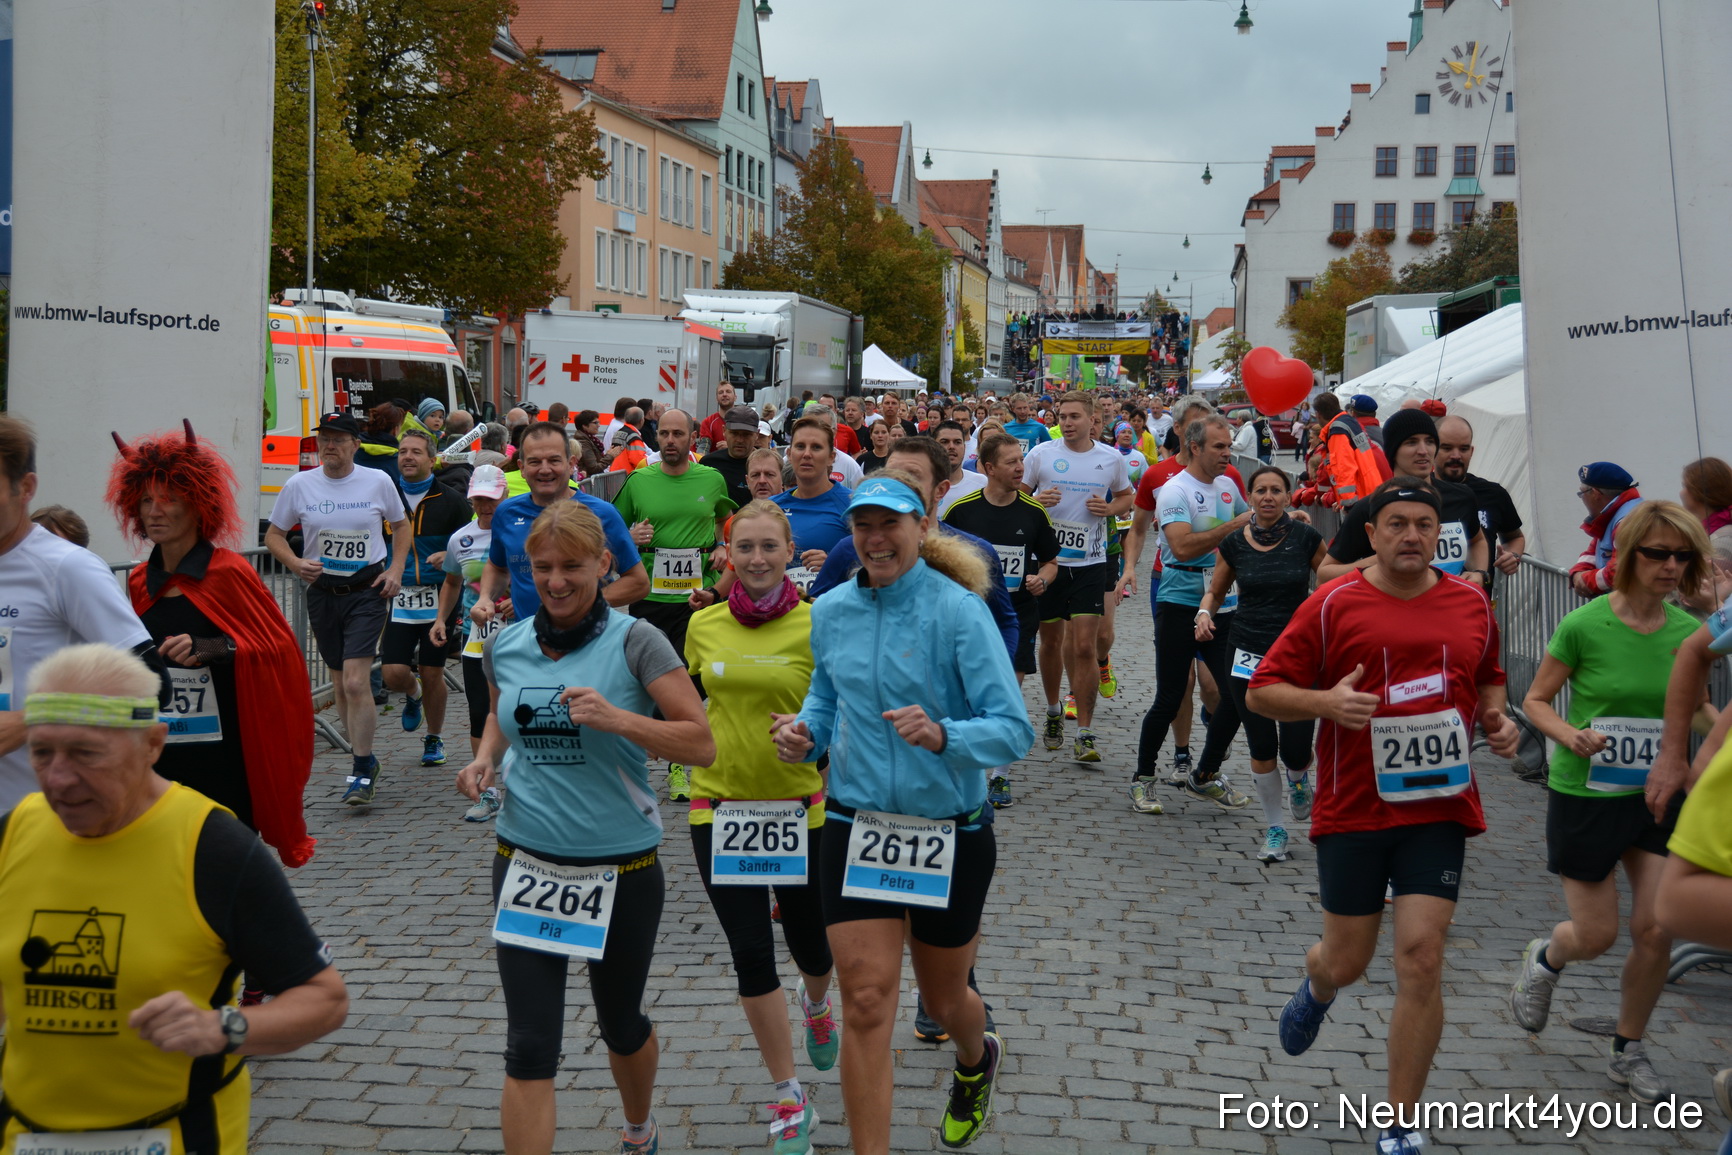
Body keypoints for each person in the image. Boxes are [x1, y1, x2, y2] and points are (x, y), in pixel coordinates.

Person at [1247, 478, 1520, 1155]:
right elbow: (1263, 691)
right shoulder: (1332, 603)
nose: (1411, 535)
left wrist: (1496, 715)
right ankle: (1318, 983)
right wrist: (1326, 705)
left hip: (1439, 805)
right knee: (1347, 959)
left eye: (1424, 524)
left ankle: (1400, 1120)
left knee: (1422, 957)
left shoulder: (1469, 601)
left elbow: (1489, 672)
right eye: (1396, 523)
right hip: (1355, 807)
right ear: (1371, 533)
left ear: (1439, 533)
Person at [772, 473, 1032, 1155]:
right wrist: (805, 734)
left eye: (890, 524)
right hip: (858, 822)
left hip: (950, 828)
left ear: (921, 527)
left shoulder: (958, 610)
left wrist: (946, 735)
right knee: (863, 999)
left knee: (947, 1003)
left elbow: (1013, 729)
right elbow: (825, 701)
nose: (875, 538)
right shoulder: (829, 610)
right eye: (863, 525)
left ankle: (977, 1058)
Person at [0, 643, 347, 1152]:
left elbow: (324, 1000)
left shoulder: (214, 846)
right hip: (25, 1132)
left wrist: (223, 1027)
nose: (58, 779)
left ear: (153, 744)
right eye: (42, 751)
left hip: (178, 1133)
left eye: (86, 753)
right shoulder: (16, 831)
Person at [455, 501, 713, 1155]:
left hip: (620, 867)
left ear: (603, 564)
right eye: (542, 567)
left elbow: (699, 743)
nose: (557, 581)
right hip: (526, 861)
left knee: (620, 1024)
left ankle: (638, 1127)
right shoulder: (506, 643)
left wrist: (621, 719)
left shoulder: (635, 640)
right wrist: (485, 758)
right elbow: (499, 710)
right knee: (530, 1044)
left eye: (572, 566)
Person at [1509, 501, 1712, 1104]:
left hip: (1657, 793)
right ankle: (1545, 958)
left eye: (1683, 556)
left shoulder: (1689, 634)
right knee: (1596, 934)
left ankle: (1629, 1049)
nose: (1671, 566)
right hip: (1588, 792)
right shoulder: (1585, 624)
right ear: (1628, 557)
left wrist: (1721, 732)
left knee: (1656, 928)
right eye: (1658, 553)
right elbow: (1539, 700)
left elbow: (1696, 706)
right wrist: (1569, 734)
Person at [683, 500, 838, 1153]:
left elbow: (840, 715)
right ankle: (789, 1094)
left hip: (798, 809)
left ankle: (818, 1002)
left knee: (811, 945)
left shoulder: (819, 624)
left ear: (788, 548)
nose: (755, 558)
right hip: (718, 807)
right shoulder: (704, 627)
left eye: (768, 546)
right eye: (743, 546)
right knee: (750, 950)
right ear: (728, 553)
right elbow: (690, 710)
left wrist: (813, 743)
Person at [108, 422, 316, 869]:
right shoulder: (142, 581)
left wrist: (211, 647)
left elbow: (278, 653)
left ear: (196, 505)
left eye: (170, 499)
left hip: (226, 751)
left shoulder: (228, 573)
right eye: (146, 500)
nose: (155, 511)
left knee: (223, 860)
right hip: (163, 748)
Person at [0, 416, 169, 811]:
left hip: (43, 817)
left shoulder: (67, 568)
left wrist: (32, 720)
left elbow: (154, 687)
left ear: (26, 488)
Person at [264, 412, 410, 806]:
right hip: (323, 593)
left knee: (355, 682)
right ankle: (365, 758)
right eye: (324, 439)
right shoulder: (299, 484)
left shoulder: (378, 481)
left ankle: (361, 769)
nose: (329, 446)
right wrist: (294, 564)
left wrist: (396, 569)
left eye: (338, 439)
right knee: (342, 687)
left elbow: (401, 525)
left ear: (355, 444)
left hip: (367, 590)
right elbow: (274, 534)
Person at [1192, 465, 1325, 858]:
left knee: (1297, 748)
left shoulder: (1305, 537)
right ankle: (1275, 829)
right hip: (1247, 651)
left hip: (1297, 651)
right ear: (1249, 497)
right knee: (1262, 745)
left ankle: (1300, 778)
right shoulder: (1234, 543)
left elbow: (1332, 580)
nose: (1268, 497)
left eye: (1276, 490)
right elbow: (1216, 591)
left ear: (1288, 496)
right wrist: (1203, 614)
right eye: (1260, 490)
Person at [1126, 414, 1253, 813]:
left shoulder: (1229, 484)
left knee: (1237, 693)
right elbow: (1181, 548)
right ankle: (1143, 778)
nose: (1227, 453)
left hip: (1222, 602)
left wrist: (1285, 522)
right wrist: (1234, 525)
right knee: (1169, 696)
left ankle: (1205, 774)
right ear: (1195, 447)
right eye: (1219, 446)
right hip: (1180, 602)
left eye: (1229, 446)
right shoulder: (1173, 490)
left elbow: (1251, 528)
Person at [943, 431, 1061, 808]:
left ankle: (1000, 777)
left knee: (1007, 692)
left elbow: (1051, 561)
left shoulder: (1034, 511)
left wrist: (1042, 579)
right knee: (967, 693)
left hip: (1017, 613)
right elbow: (939, 557)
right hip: (971, 616)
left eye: (1021, 461)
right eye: (1011, 462)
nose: (1020, 468)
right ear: (989, 468)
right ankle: (964, 767)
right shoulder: (961, 511)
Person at [1022, 391, 1133, 765]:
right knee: (1051, 643)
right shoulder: (1041, 455)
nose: (1067, 422)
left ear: (1091, 419)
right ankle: (1053, 711)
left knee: (1086, 646)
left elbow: (1126, 498)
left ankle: (1085, 731)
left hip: (1091, 562)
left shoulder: (1111, 458)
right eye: (1062, 416)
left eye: (1074, 417)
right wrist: (1038, 502)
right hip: (1048, 563)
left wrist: (1109, 508)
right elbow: (1017, 498)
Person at [474, 421, 648, 630]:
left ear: (571, 463)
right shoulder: (506, 512)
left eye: (554, 460)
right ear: (521, 468)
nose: (545, 469)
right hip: (529, 642)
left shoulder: (602, 514)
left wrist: (584, 603)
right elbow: (497, 566)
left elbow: (638, 582)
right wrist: (485, 598)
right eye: (535, 462)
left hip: (588, 641)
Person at [381, 429, 473, 769]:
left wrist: (444, 554)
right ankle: (412, 693)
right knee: (392, 673)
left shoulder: (451, 500)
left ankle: (434, 738)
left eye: (416, 452)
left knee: (432, 671)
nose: (407, 457)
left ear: (432, 460)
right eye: (403, 451)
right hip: (400, 597)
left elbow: (469, 544)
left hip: (440, 597)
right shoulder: (387, 498)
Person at [1318, 407, 1490, 588]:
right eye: (1411, 442)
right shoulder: (1370, 507)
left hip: (1451, 609)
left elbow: (1477, 540)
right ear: (1393, 451)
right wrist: (1379, 560)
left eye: (1430, 441)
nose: (1423, 450)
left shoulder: (1461, 496)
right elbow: (1325, 574)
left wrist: (1479, 572)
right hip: (1393, 611)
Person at [431, 463, 510, 817]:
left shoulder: (525, 531)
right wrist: (439, 620)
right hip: (477, 636)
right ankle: (488, 792)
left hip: (522, 632)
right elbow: (451, 581)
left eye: (491, 499)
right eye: (478, 500)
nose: (485, 507)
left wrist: (518, 601)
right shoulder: (460, 539)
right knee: (481, 711)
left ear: (505, 495)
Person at [1435, 415, 1526, 578]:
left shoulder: (1493, 493)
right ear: (1432, 448)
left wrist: (1513, 556)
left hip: (1477, 599)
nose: (1456, 456)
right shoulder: (1417, 494)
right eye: (1447, 448)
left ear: (1471, 451)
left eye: (1463, 449)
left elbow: (1515, 536)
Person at [1570, 461, 1642, 598]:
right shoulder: (1615, 513)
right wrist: (1578, 572)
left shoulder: (1626, 520)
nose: (1582, 498)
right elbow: (1594, 551)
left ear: (1595, 494)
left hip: (1630, 608)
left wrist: (1584, 580)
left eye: (1582, 493)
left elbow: (1619, 571)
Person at [1310, 392, 1387, 508]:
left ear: (1318, 414)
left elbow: (1344, 468)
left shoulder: (1338, 430)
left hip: (1361, 499)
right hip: (1370, 491)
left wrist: (1348, 504)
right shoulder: (1349, 423)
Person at [699, 405, 759, 510]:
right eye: (734, 433)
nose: (740, 440)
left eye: (746, 434)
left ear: (757, 434)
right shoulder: (708, 464)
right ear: (724, 431)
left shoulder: (766, 466)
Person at [1680, 456, 1732, 564]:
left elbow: (1706, 580)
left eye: (1684, 486)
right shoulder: (1713, 530)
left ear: (1699, 490)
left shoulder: (1722, 539)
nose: (1681, 493)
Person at [934, 420, 986, 515]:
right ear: (933, 446)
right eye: (944, 442)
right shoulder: (922, 485)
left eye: (957, 442)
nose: (951, 447)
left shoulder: (982, 484)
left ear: (965, 447)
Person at [699, 381, 739, 452]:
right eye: (721, 392)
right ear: (716, 398)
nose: (724, 394)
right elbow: (703, 448)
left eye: (728, 391)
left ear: (735, 397)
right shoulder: (708, 422)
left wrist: (730, 446)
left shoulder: (743, 421)